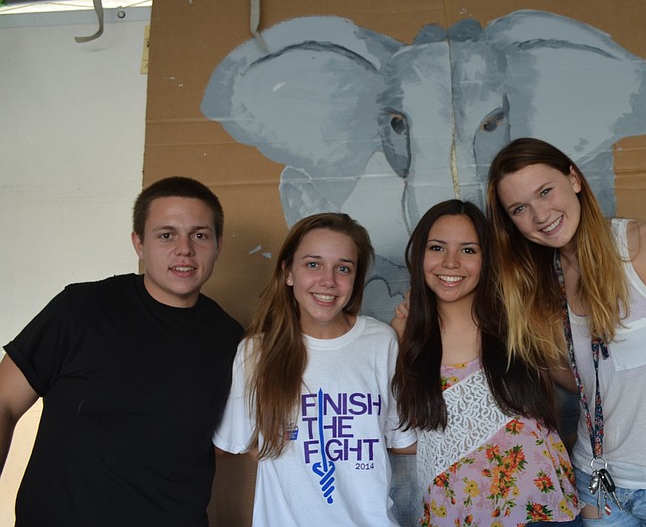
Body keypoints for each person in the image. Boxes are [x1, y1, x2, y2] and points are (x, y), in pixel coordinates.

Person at [486, 138, 646, 527]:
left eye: (545, 191)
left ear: (574, 179)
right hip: (596, 488)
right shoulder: (542, 282)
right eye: (519, 209)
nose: (540, 215)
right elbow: (585, 377)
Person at [0, 176, 244, 526]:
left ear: (218, 245)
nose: (184, 249)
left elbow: (224, 445)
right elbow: (4, 401)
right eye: (166, 235)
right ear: (139, 243)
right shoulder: (80, 309)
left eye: (200, 235)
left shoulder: (232, 340)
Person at [214, 212, 417, 526]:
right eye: (313, 264)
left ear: (355, 279)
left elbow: (402, 440)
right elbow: (232, 442)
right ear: (288, 272)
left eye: (343, 268)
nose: (328, 281)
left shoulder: (382, 341)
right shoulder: (256, 352)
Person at [392, 199, 582, 527]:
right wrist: (459, 438)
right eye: (437, 247)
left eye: (468, 250)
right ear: (419, 255)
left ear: (487, 259)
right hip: (455, 513)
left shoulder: (517, 320)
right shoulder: (402, 335)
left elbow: (584, 382)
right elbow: (394, 434)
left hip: (541, 511)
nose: (451, 263)